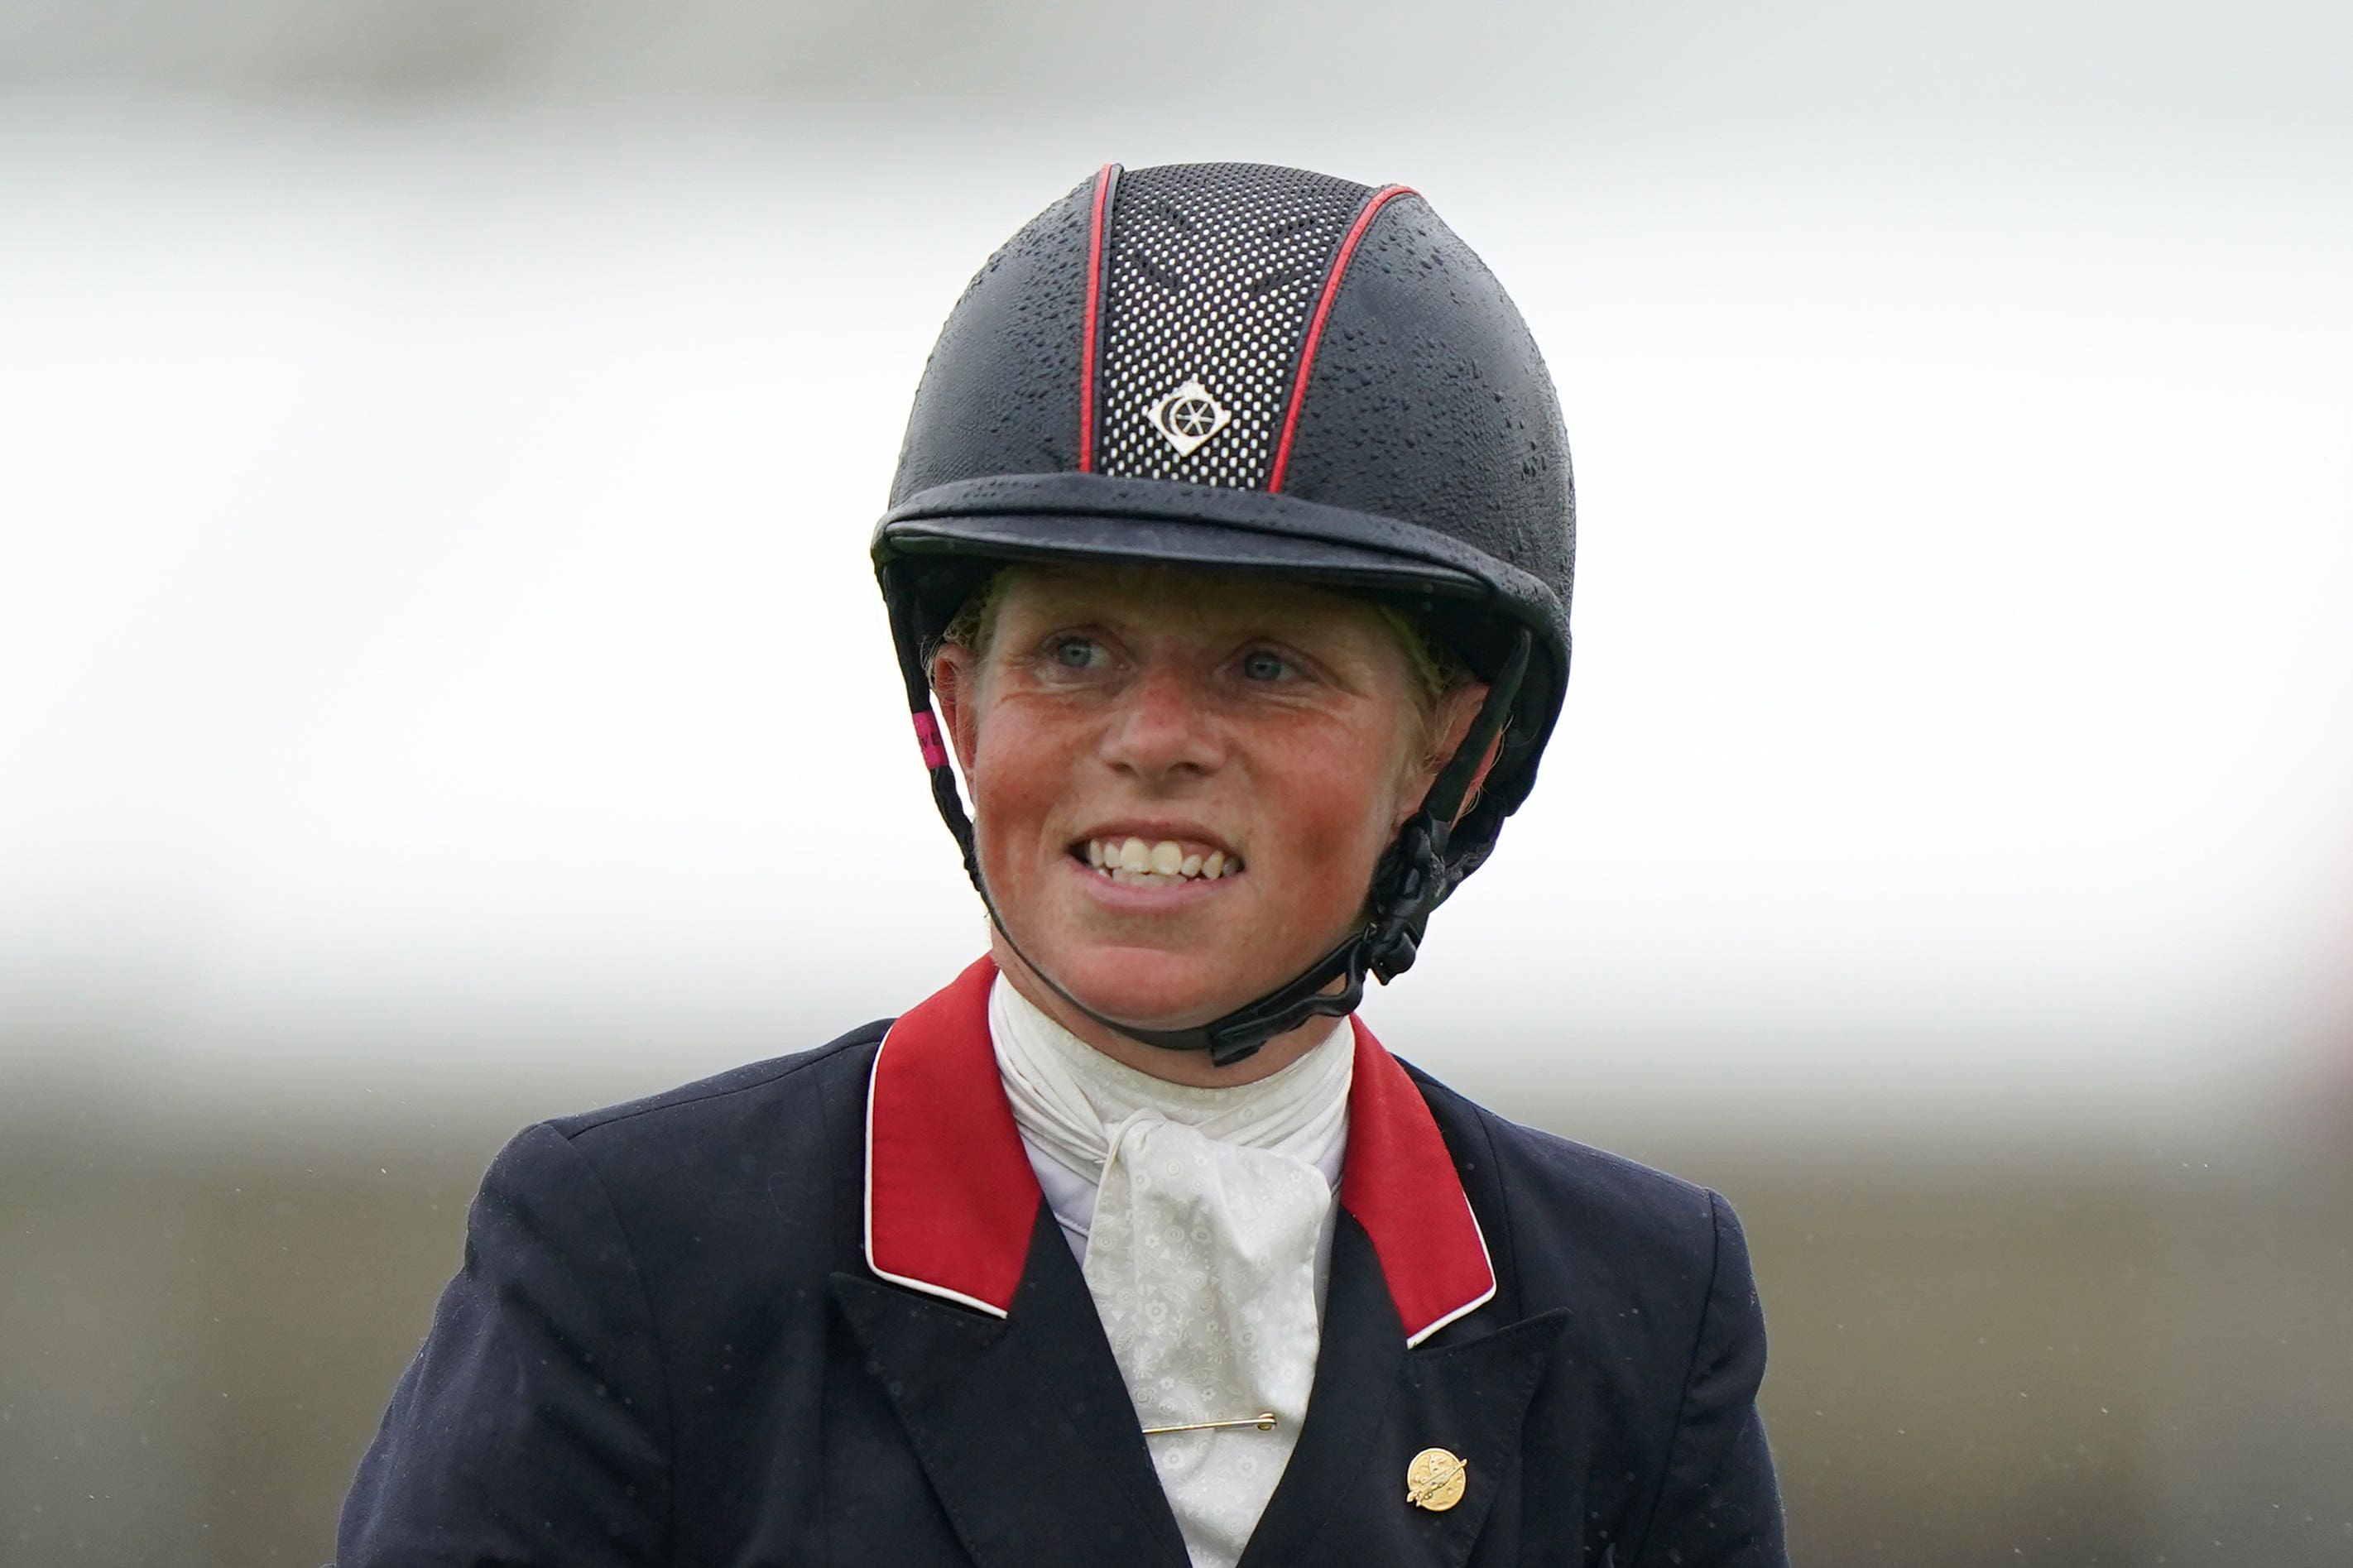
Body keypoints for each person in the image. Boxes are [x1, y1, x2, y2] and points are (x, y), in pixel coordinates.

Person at [335, 161, 1788, 1567]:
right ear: (960, 707)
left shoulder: (1643, 1316)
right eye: (1076, 653)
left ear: (1443, 751)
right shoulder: (632, 1254)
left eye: (1267, 666)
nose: (1154, 739)